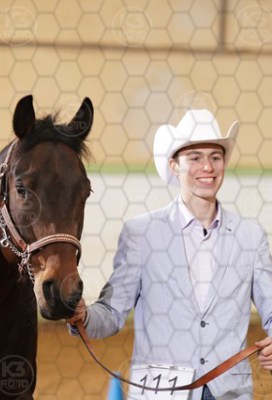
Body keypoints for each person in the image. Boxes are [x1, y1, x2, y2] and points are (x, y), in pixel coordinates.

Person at [68, 109, 272, 400]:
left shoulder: (250, 237)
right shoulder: (141, 233)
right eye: (195, 157)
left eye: (215, 157)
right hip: (160, 392)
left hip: (229, 392)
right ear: (174, 166)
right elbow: (112, 314)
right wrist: (84, 316)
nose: (208, 166)